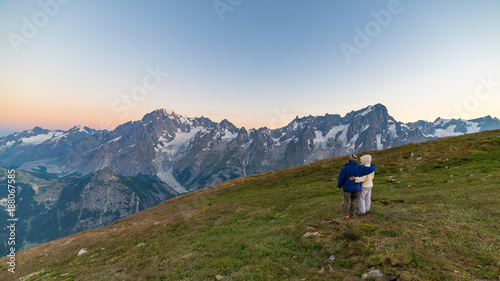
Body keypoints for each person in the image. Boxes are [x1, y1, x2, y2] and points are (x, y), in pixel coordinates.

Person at [337, 154, 376, 219]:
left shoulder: (344, 168)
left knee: (346, 201)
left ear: (349, 160)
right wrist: (373, 165)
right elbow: (370, 169)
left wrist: (339, 185)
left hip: (347, 187)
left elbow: (341, 178)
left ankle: (345, 215)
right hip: (357, 187)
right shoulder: (360, 167)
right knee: (354, 200)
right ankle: (353, 214)